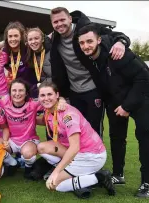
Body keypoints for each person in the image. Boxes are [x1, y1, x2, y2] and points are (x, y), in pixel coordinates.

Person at [77, 24, 149, 198]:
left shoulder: (117, 53)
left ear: (99, 40)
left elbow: (143, 79)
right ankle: (118, 174)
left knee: (143, 135)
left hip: (145, 99)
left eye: (89, 41)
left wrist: (127, 106)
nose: (86, 46)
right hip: (115, 100)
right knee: (116, 136)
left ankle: (145, 184)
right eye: (82, 43)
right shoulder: (89, 58)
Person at [49, 7, 131, 136]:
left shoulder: (86, 29)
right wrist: (4, 44)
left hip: (93, 89)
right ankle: (81, 156)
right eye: (55, 22)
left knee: (93, 128)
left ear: (70, 19)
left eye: (62, 20)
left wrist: (121, 42)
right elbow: (31, 41)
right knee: (76, 128)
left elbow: (114, 35)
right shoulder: (54, 39)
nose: (59, 24)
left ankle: (97, 155)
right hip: (74, 91)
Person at [36, 82, 115, 198]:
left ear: (57, 95)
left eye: (49, 94)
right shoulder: (49, 110)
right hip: (77, 153)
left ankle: (99, 177)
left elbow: (75, 147)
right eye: (42, 95)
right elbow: (44, 120)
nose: (46, 98)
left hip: (91, 156)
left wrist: (56, 172)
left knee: (54, 185)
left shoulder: (69, 116)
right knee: (41, 147)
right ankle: (73, 173)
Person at [0, 79, 67, 178]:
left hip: (28, 140)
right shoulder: (4, 101)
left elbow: (51, 100)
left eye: (21, 90)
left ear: (26, 93)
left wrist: (62, 100)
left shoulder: (33, 104)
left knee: (28, 153)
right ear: (10, 92)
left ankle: (28, 168)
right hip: (11, 139)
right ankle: (13, 163)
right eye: (14, 90)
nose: (17, 94)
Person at [2, 22, 39, 98]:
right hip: (17, 94)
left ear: (21, 37)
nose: (13, 39)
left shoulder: (29, 49)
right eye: (10, 36)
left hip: (34, 92)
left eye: (16, 36)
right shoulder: (4, 53)